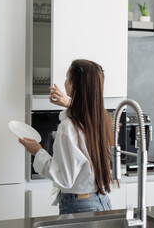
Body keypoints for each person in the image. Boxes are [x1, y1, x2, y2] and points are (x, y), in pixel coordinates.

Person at [19, 59, 117, 215]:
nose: (64, 82)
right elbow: (91, 110)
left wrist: (38, 151)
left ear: (74, 85)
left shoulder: (68, 127)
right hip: (101, 202)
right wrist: (71, 103)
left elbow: (64, 179)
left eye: (66, 77)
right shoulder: (104, 119)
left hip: (79, 207)